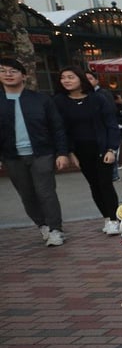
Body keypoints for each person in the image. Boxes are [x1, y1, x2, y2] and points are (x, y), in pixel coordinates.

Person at [0, 57, 70, 246]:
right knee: (27, 194)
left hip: (42, 153)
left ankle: (56, 229)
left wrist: (62, 152)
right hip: (12, 157)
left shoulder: (40, 99)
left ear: (23, 76)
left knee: (46, 192)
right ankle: (43, 225)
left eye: (13, 71)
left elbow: (57, 127)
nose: (8, 74)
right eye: (3, 71)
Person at [52, 66, 121, 235]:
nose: (66, 80)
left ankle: (114, 219)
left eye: (70, 77)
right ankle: (106, 217)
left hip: (102, 147)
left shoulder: (98, 99)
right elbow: (61, 129)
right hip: (80, 150)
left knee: (105, 183)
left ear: (80, 79)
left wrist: (112, 149)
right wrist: (69, 152)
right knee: (94, 185)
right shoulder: (59, 101)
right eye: (63, 77)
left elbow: (111, 125)